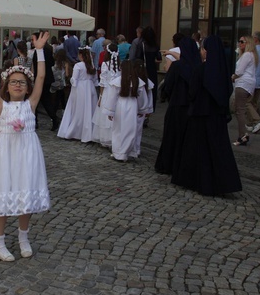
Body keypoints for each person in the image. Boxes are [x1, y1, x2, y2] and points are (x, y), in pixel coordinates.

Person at [0, 32, 51, 261]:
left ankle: (24, 237)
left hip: (28, 153)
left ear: (27, 87)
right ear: (7, 85)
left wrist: (40, 51)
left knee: (26, 196)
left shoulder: (31, 105)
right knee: (4, 195)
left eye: (21, 82)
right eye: (13, 82)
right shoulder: (1, 106)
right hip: (5, 155)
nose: (17, 85)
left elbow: (41, 78)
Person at [172, 35, 242, 196]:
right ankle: (222, 182)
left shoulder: (201, 70)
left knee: (199, 150)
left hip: (200, 115)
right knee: (218, 150)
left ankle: (198, 180)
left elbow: (193, 91)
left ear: (207, 51)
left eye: (203, 49)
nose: (201, 52)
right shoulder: (223, 71)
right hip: (217, 116)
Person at [155, 37, 202, 175]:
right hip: (191, 107)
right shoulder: (198, 67)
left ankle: (168, 164)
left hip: (176, 105)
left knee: (172, 137)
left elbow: (167, 86)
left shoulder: (177, 66)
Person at [104, 59, 151, 161]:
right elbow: (142, 98)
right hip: (132, 105)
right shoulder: (137, 82)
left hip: (120, 105)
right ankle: (126, 151)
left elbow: (112, 97)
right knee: (130, 129)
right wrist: (142, 109)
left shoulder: (118, 82)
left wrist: (110, 111)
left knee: (118, 129)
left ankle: (119, 152)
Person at [57, 46, 98, 142]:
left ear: (81, 55)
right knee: (89, 109)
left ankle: (75, 131)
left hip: (80, 88)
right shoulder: (92, 66)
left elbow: (74, 80)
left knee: (78, 109)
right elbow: (95, 80)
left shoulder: (78, 65)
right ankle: (88, 133)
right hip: (90, 88)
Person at [231, 35, 258, 146]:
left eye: (242, 42)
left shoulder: (247, 55)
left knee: (239, 110)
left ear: (248, 43)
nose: (239, 43)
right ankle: (243, 134)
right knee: (241, 109)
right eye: (239, 41)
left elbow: (239, 71)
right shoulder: (252, 55)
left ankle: (242, 135)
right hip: (248, 84)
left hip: (243, 84)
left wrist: (233, 77)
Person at [92, 44, 121, 147]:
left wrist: (100, 96)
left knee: (105, 114)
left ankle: (105, 137)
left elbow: (103, 82)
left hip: (107, 91)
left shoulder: (105, 64)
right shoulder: (119, 65)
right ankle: (113, 137)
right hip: (117, 91)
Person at [31, 32, 59, 131]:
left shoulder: (42, 50)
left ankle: (53, 118)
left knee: (43, 99)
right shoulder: (48, 49)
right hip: (47, 77)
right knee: (41, 99)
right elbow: (52, 62)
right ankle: (36, 120)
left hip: (43, 78)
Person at [246, 31, 260, 134]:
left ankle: (257, 121)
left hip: (253, 80)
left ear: (256, 39)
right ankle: (251, 124)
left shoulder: (254, 51)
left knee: (247, 102)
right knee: (254, 103)